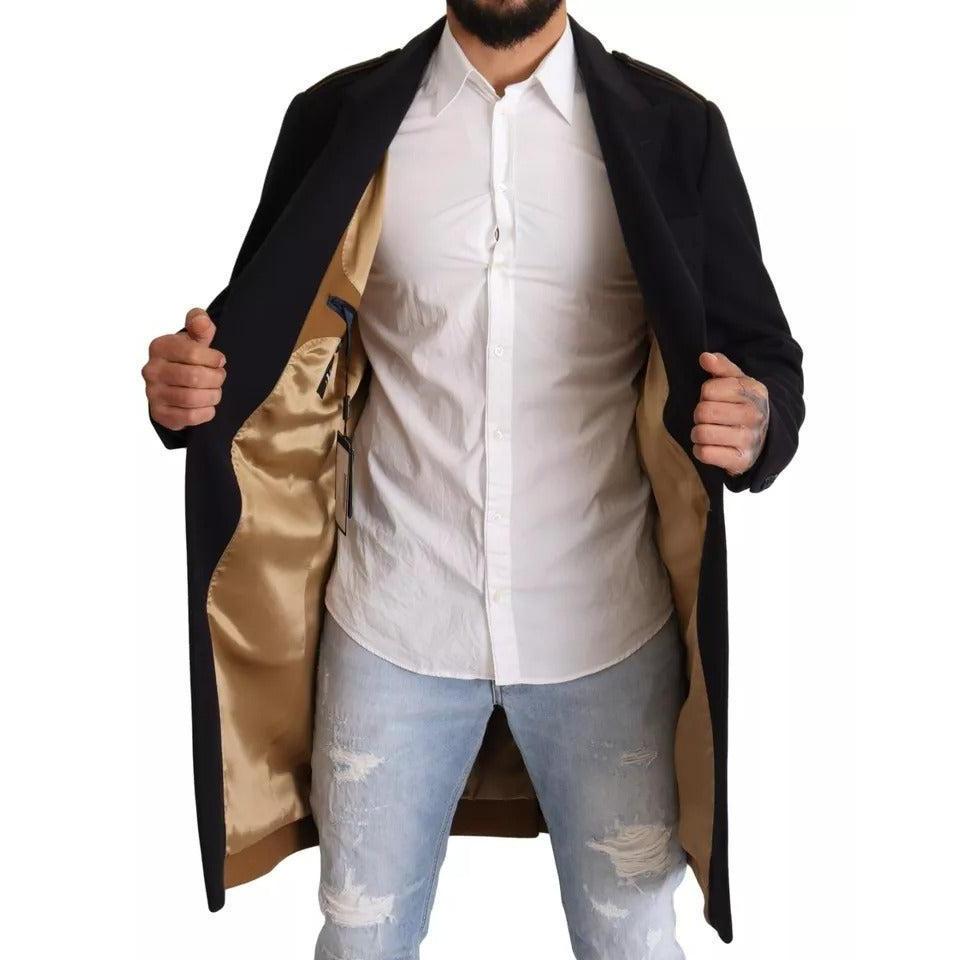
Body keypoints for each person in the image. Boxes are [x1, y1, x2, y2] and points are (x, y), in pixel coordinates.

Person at [142, 2, 805, 957]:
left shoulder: (676, 128)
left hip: (607, 626)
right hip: (392, 620)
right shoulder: (336, 119)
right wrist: (185, 392)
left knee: (631, 939)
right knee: (360, 940)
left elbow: (763, 356)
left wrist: (759, 421)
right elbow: (252, 354)